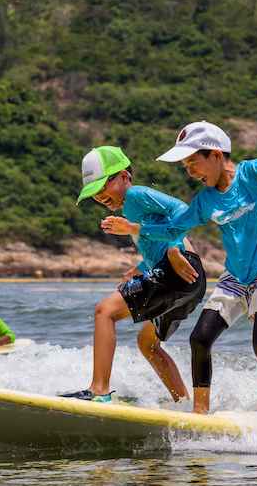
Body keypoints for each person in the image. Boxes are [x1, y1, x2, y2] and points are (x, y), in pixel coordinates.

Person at [101, 121, 257, 420]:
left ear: (217, 155)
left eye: (194, 162)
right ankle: (200, 413)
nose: (191, 171)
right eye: (186, 165)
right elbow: (172, 227)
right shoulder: (205, 201)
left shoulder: (248, 174)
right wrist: (135, 228)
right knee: (200, 338)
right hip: (234, 276)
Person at [60, 146, 207, 404]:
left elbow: (184, 211)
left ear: (125, 177)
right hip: (191, 281)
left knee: (104, 311)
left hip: (177, 268)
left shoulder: (136, 196)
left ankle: (99, 390)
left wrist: (173, 247)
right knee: (147, 344)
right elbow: (156, 240)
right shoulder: (131, 210)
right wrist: (140, 268)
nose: (100, 196)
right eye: (94, 193)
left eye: (103, 186)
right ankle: (183, 404)